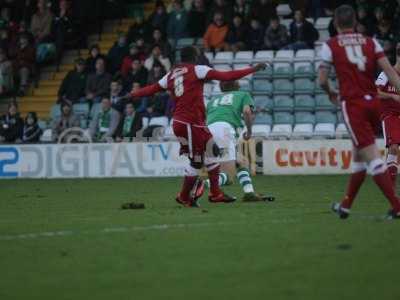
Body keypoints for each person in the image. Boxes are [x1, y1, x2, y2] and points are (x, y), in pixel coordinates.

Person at [130, 46, 268, 207]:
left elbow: (152, 89)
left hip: (188, 122)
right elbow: (227, 75)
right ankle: (197, 194)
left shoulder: (171, 74)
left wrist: (132, 94)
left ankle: (205, 194)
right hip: (189, 122)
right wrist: (253, 69)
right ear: (195, 57)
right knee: (199, 161)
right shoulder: (197, 69)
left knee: (210, 153)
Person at [318, 5, 400, 219]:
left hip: (353, 105)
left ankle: (397, 206)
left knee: (372, 158)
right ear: (355, 22)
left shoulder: (331, 45)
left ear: (336, 24)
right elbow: (391, 73)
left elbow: (322, 80)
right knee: (359, 157)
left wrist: (331, 92)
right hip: (373, 104)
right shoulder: (371, 42)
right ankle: (345, 206)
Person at [206, 80, 274, 202]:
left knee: (241, 161)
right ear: (237, 86)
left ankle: (249, 193)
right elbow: (247, 112)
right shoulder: (243, 95)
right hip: (224, 130)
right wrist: (249, 131)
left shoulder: (212, 100)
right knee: (229, 177)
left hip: (208, 131)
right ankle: (201, 185)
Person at [375, 42, 400, 187]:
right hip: (390, 115)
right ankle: (390, 190)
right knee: (394, 148)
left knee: (393, 152)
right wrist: (392, 96)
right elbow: (375, 92)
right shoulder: (387, 74)